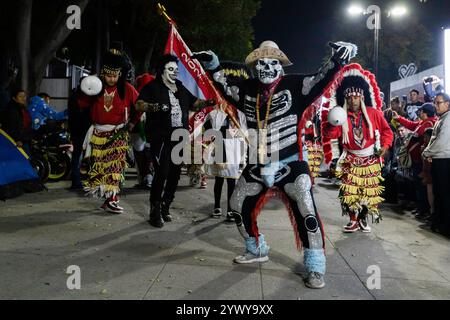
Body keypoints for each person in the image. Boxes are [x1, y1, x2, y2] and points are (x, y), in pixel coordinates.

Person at [195, 40, 358, 289]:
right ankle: (256, 248)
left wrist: (337, 60)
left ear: (281, 65)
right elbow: (225, 88)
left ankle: (315, 265)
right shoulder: (247, 89)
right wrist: (213, 64)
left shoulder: (296, 85)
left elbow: (320, 80)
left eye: (273, 63)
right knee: (237, 206)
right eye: (261, 63)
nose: (266, 68)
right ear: (254, 66)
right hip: (257, 164)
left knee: (305, 206)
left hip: (291, 162)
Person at [136, 55, 215, 229]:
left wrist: (209, 101)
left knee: (174, 174)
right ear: (162, 70)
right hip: (161, 137)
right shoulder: (152, 87)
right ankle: (155, 210)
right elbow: (139, 104)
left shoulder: (180, 87)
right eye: (171, 69)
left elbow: (195, 104)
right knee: (162, 172)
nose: (175, 72)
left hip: (179, 137)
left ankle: (166, 205)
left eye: (176, 69)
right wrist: (153, 107)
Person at [323, 64, 394, 233]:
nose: (352, 100)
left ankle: (363, 218)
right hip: (350, 159)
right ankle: (353, 219)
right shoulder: (341, 115)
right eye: (349, 97)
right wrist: (333, 122)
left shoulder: (374, 113)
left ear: (361, 97)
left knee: (368, 192)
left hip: (370, 158)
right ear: (345, 99)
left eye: (355, 97)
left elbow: (387, 131)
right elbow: (330, 136)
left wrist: (384, 146)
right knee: (350, 191)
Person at [78, 48, 140, 214]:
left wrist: (133, 123)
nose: (112, 79)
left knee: (115, 168)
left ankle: (112, 199)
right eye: (108, 76)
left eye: (115, 76)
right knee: (99, 168)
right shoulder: (95, 87)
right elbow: (81, 105)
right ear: (103, 74)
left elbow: (139, 107)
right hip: (97, 134)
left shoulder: (127, 89)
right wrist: (85, 91)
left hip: (118, 133)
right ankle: (107, 200)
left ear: (120, 74)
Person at [392, 103, 438, 218]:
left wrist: (414, 136)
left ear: (425, 112)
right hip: (416, 160)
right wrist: (399, 118)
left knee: (422, 186)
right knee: (418, 185)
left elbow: (420, 136)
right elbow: (412, 125)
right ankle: (421, 208)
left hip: (422, 161)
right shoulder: (422, 122)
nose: (419, 113)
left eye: (421, 111)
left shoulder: (430, 123)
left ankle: (425, 210)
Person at [422, 93, 450, 236]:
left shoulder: (448, 119)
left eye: (439, 103)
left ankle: (445, 225)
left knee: (444, 194)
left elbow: (441, 142)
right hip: (438, 160)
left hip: (445, 161)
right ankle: (440, 222)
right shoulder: (441, 119)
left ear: (448, 104)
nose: (436, 105)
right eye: (435, 102)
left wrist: (426, 152)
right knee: (438, 193)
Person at [68, 78, 92, 190]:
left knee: (80, 156)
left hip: (84, 130)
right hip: (80, 130)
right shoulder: (76, 96)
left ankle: (79, 180)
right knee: (78, 155)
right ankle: (76, 180)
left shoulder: (89, 95)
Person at [1, 89, 32, 154]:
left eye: (24, 96)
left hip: (24, 140)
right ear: (14, 98)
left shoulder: (23, 109)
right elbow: (9, 127)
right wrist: (17, 139)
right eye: (20, 96)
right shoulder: (11, 110)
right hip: (16, 142)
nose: (23, 98)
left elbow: (27, 125)